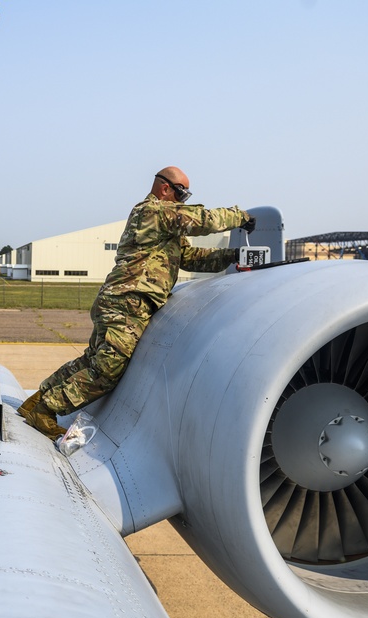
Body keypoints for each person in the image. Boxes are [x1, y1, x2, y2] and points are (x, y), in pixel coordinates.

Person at [18, 166, 256, 440]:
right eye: (182, 193)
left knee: (93, 360)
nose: (183, 201)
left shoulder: (165, 228)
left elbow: (190, 258)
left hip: (122, 301)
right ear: (165, 188)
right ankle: (46, 409)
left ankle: (37, 401)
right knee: (108, 369)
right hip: (128, 302)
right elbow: (203, 220)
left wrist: (233, 255)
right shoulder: (152, 212)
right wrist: (241, 216)